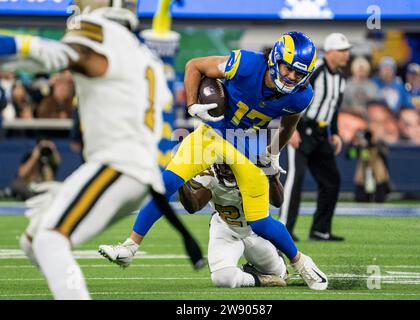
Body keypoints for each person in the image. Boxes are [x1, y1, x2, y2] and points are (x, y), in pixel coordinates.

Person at [99, 31, 329, 290]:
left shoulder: (300, 95)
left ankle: (301, 262)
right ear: (275, 59)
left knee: (260, 221)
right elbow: (194, 66)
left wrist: (272, 153)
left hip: (246, 146)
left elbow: (288, 126)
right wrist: (192, 104)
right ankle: (130, 246)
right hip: (212, 135)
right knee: (166, 182)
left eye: (299, 74)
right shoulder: (247, 63)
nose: (291, 77)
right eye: (288, 69)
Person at [18, 0, 201, 300]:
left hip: (121, 163)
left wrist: (17, 46)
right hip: (138, 168)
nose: (78, 3)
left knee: (50, 240)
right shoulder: (143, 52)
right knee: (34, 240)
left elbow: (52, 56)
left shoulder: (100, 30)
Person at [280, 33, 350, 242]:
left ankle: (321, 229)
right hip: (301, 128)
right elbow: (291, 93)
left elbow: (334, 108)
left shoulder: (341, 79)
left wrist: (335, 133)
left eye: (347, 51)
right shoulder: (315, 70)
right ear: (330, 52)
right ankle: (284, 229)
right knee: (295, 178)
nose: (346, 55)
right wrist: (290, 129)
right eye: (342, 51)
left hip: (321, 133)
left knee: (332, 180)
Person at [175, 164, 287, 288]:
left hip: (255, 231)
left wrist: (272, 177)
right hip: (226, 228)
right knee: (222, 279)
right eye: (224, 166)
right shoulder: (210, 174)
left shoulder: (257, 164)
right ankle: (258, 278)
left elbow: (278, 201)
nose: (228, 171)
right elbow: (193, 206)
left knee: (281, 275)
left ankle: (276, 258)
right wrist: (179, 180)